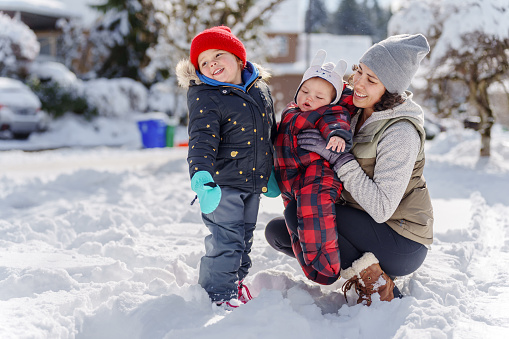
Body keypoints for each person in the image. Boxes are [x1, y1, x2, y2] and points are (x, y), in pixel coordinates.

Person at [265, 33, 434, 306]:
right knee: (281, 229)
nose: (357, 83)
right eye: (359, 71)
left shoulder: (401, 132)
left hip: (401, 238)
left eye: (371, 79)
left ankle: (380, 289)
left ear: (390, 89)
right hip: (358, 218)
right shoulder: (354, 108)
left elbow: (381, 208)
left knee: (306, 213)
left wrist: (339, 160)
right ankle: (354, 269)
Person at [176, 26, 278, 309]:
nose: (212, 64)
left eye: (219, 55)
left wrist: (271, 171)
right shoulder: (205, 96)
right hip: (220, 186)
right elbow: (200, 140)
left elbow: (269, 132)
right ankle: (216, 295)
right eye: (204, 62)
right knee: (226, 241)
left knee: (244, 239)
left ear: (239, 58)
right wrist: (201, 177)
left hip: (252, 183)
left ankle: (233, 284)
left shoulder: (261, 90)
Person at [274, 49, 356, 285]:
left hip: (317, 174)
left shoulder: (329, 111)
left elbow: (337, 122)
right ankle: (313, 269)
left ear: (331, 100)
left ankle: (328, 267)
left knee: (315, 214)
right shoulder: (291, 111)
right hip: (291, 181)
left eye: (320, 96)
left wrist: (338, 136)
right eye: (305, 91)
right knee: (296, 225)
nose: (310, 98)